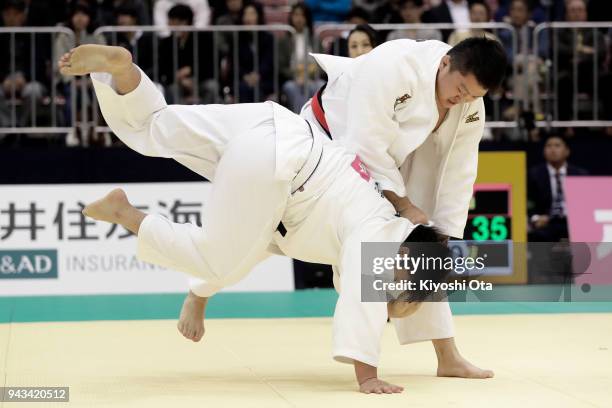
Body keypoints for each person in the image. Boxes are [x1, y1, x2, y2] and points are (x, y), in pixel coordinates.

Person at [57, 44, 473, 394]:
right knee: (216, 258)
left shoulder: (383, 213)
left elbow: (366, 289)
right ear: (406, 259)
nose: (392, 293)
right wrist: (368, 375)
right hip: (281, 173)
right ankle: (126, 214)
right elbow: (362, 298)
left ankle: (125, 71)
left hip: (276, 125)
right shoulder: (381, 241)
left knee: (157, 127)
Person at [300, 36, 506, 376]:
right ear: (445, 64)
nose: (463, 99)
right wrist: (403, 204)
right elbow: (365, 145)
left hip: (397, 155)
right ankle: (364, 364)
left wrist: (448, 240)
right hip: (330, 139)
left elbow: (459, 174)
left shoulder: (470, 107)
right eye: (461, 89)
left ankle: (447, 357)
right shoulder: (392, 66)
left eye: (473, 96)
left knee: (429, 247)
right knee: (372, 240)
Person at [528, 134, 588, 243]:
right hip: (546, 222)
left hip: (573, 222)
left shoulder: (580, 174)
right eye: (549, 146)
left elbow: (586, 204)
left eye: (557, 145)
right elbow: (528, 202)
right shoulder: (534, 174)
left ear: (567, 151)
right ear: (544, 151)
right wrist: (536, 218)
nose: (553, 149)